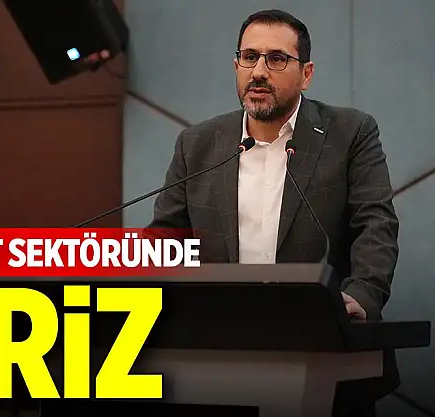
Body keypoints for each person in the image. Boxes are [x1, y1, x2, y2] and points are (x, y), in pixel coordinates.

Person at [148, 9, 400, 417]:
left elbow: (376, 224)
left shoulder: (349, 133)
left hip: (324, 352)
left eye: (277, 59)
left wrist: (361, 295)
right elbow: (165, 240)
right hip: (217, 356)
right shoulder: (198, 144)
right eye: (249, 57)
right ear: (236, 66)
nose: (259, 71)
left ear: (306, 74)